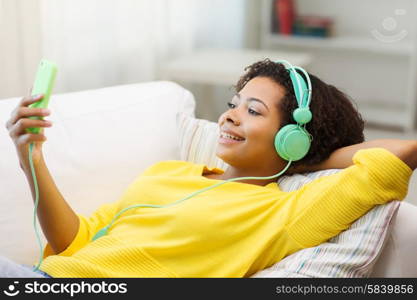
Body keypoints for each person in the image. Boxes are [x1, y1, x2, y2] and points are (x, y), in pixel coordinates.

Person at [3, 59, 416, 278]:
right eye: (232, 104)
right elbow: (74, 241)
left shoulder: (279, 213)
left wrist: (305, 158)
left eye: (252, 111)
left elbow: (397, 154)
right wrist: (31, 159)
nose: (230, 117)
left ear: (294, 137)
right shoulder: (169, 172)